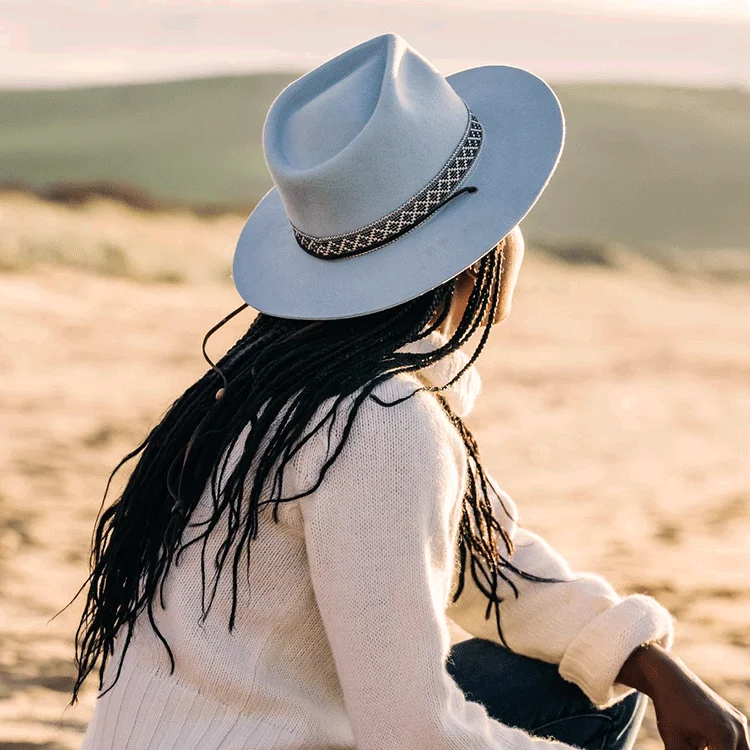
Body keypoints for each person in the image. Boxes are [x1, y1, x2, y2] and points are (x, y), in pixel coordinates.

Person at [72, 33, 749, 750]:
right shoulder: (382, 421)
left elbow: (480, 558)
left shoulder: (275, 387)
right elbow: (410, 734)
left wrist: (649, 661)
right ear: (471, 253)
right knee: (582, 712)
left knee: (587, 680)